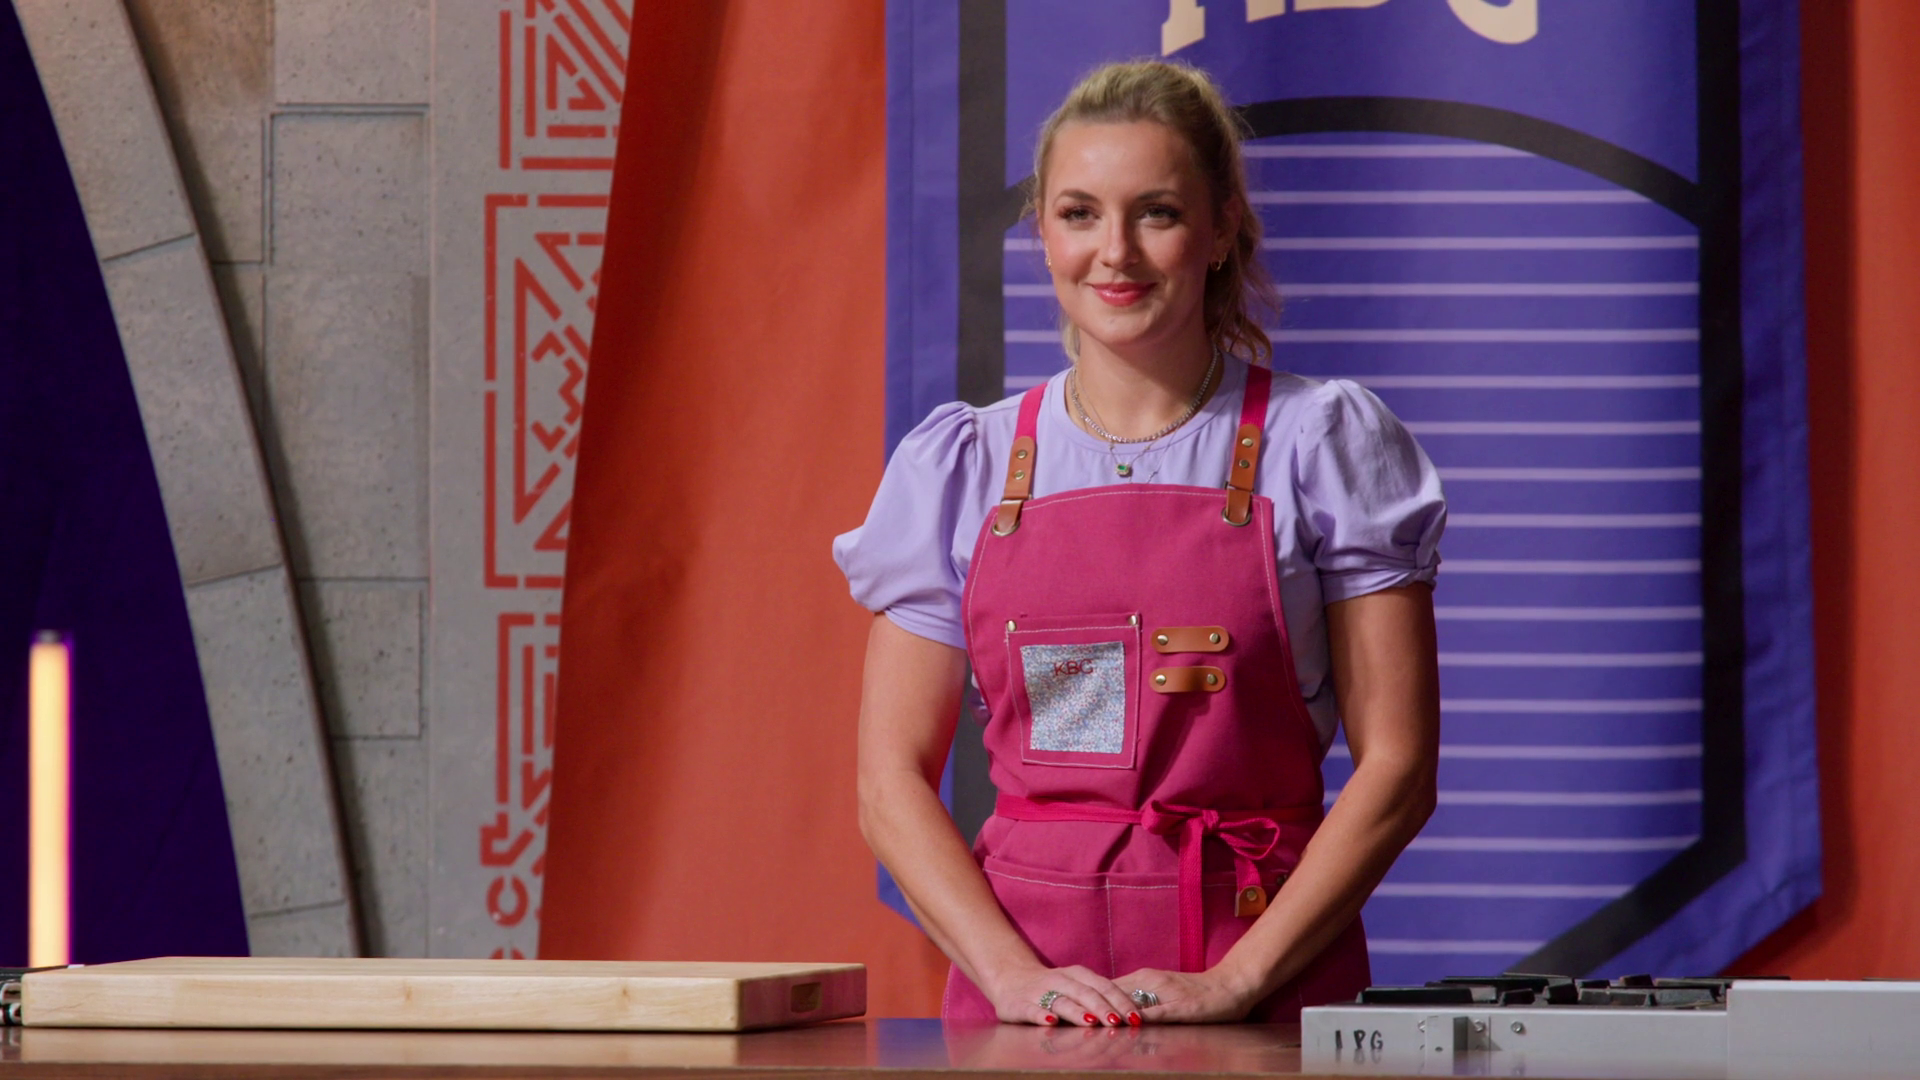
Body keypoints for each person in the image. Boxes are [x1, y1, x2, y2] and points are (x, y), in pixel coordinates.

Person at [834, 60, 1445, 1026]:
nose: (1114, 253)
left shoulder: (1319, 443)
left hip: (1266, 984)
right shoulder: (961, 465)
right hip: (1028, 1005)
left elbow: (1400, 770)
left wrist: (1238, 981)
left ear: (1222, 228)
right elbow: (888, 784)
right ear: (1042, 232)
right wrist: (1011, 978)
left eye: (1155, 213)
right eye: (1079, 214)